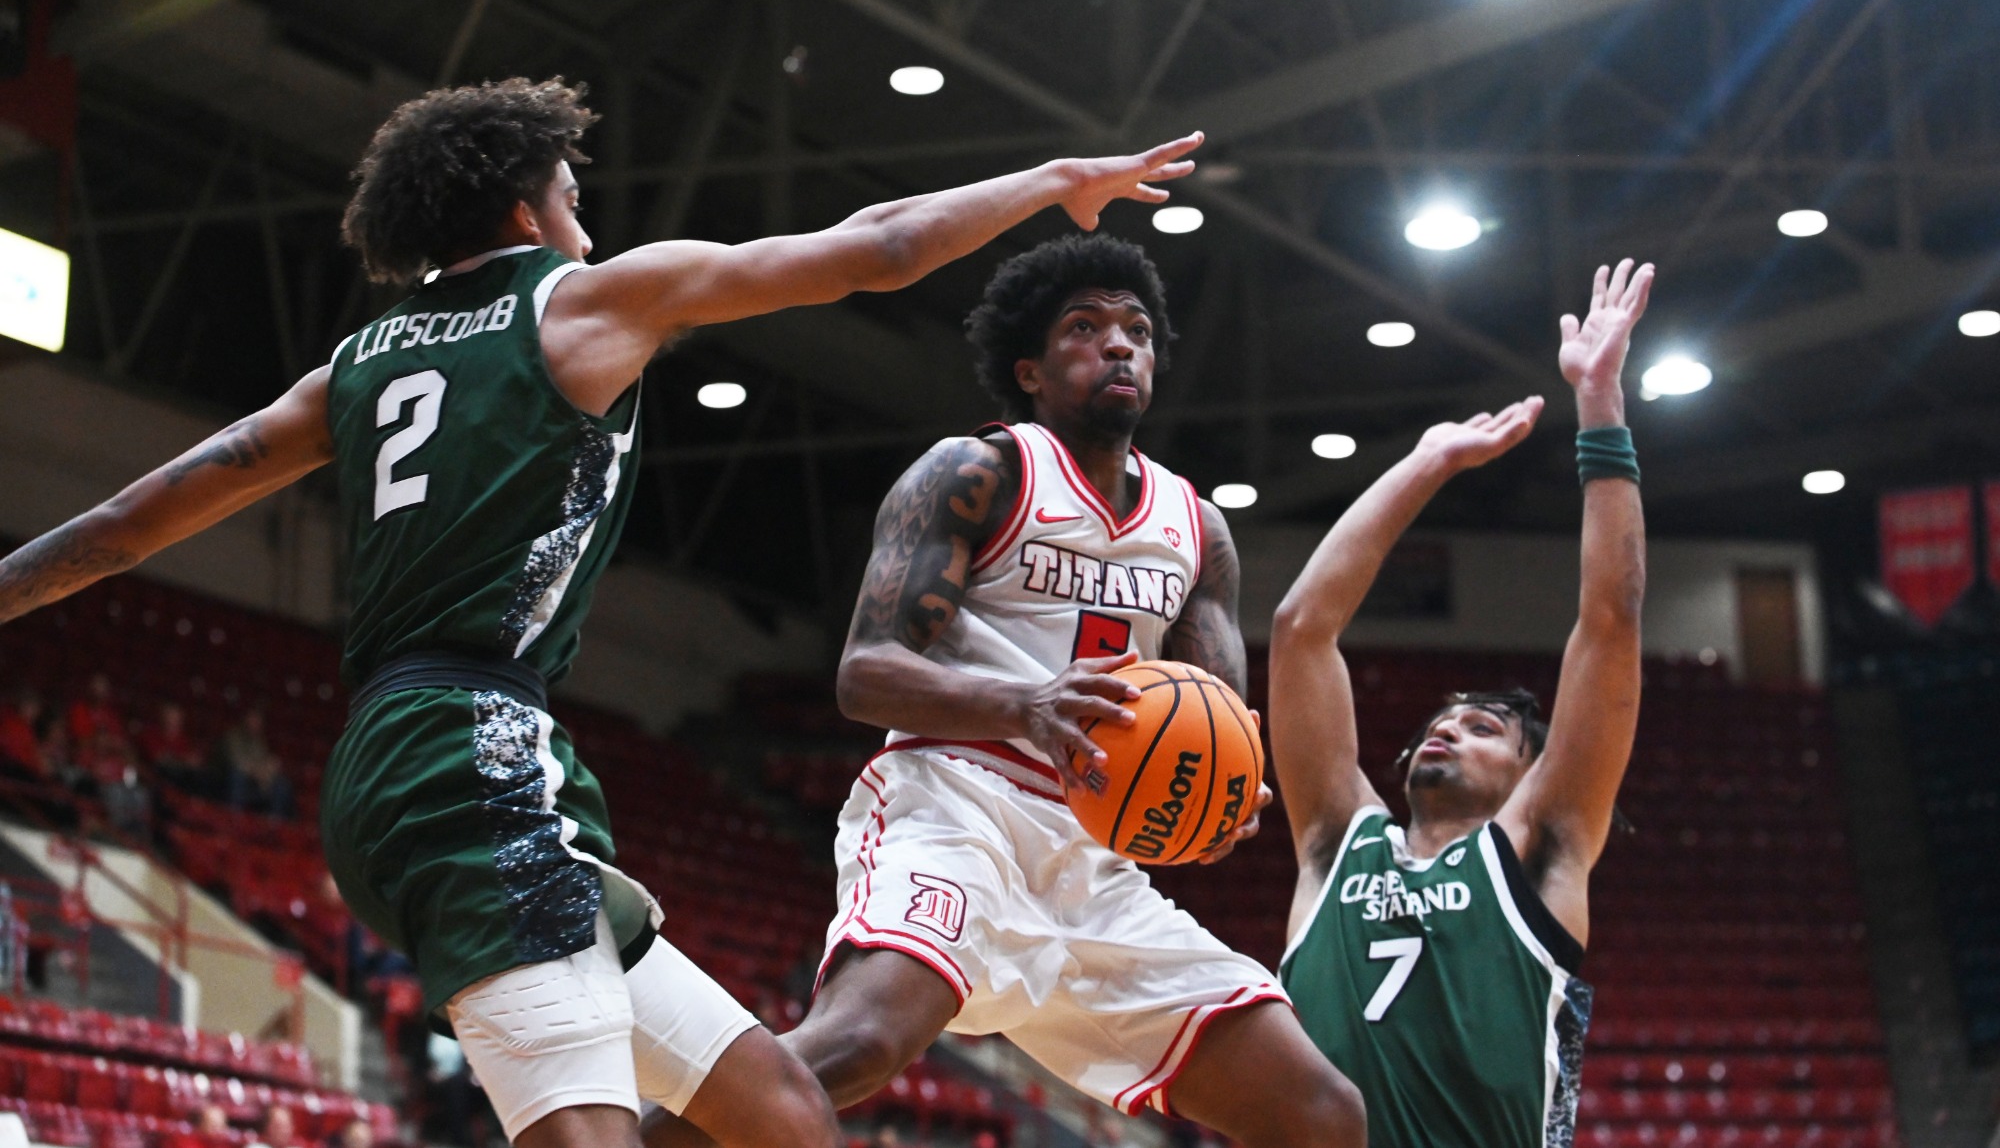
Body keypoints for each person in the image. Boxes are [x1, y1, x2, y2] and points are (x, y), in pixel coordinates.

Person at [0, 75, 1203, 1148]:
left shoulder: (353, 367)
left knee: (780, 1112)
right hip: (463, 753)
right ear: (527, 211)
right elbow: (873, 245)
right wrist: (1052, 183)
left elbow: (127, 523)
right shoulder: (576, 302)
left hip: (427, 751)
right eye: (574, 192)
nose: (587, 216)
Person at [655, 235, 1364, 1147]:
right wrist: (1024, 705)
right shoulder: (978, 471)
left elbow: (1215, 714)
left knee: (1319, 1113)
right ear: (1028, 369)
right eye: (1086, 327)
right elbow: (864, 675)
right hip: (958, 804)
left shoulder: (1199, 529)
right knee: (856, 1047)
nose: (1119, 345)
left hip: (1093, 853)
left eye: (1137, 330)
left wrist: (1223, 797)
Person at [1268, 259, 1653, 1148]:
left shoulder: (1544, 846)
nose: (1447, 727)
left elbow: (1611, 618)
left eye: (1484, 729)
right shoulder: (1335, 844)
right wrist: (1426, 461)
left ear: (1531, 775)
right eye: (1443, 720)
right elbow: (1301, 631)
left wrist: (1600, 409)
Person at [217, 705, 293, 816]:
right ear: (246, 719)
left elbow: (264, 762)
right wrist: (257, 771)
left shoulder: (260, 742)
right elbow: (238, 762)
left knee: (282, 784)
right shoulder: (233, 737)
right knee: (238, 776)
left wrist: (267, 770)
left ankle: (273, 822)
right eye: (253, 719)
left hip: (255, 782)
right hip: (230, 780)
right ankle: (233, 816)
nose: (255, 723)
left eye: (258, 721)